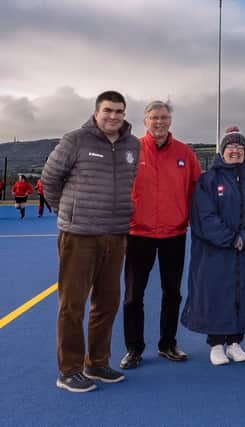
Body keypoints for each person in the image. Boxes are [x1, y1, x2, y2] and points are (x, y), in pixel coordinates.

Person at [41, 90, 139, 392]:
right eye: (108, 110)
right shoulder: (75, 140)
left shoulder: (132, 145)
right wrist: (67, 212)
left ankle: (96, 363)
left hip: (116, 234)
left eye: (119, 111)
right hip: (79, 235)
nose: (113, 116)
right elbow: (49, 179)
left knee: (107, 302)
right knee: (72, 305)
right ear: (96, 112)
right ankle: (68, 371)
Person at [119, 101, 202, 370]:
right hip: (137, 233)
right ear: (145, 121)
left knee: (173, 293)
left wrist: (190, 220)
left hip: (174, 234)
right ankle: (134, 348)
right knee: (133, 296)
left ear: (170, 121)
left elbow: (196, 191)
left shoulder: (185, 154)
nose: (159, 122)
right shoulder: (130, 149)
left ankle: (167, 344)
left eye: (164, 117)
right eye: (154, 117)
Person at [181, 126, 245, 366]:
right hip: (216, 251)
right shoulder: (208, 180)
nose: (235, 151)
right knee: (217, 293)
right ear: (222, 151)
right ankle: (217, 344)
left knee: (244, 292)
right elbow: (204, 216)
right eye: (230, 147)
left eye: (240, 147)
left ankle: (235, 342)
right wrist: (230, 238)